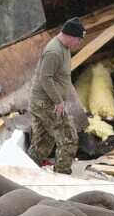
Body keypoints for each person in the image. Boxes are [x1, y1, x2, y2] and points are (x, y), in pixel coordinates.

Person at [28, 17, 85, 174]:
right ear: (70, 35)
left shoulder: (64, 48)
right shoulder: (54, 51)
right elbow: (45, 78)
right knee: (68, 138)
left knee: (43, 142)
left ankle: (26, 170)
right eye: (78, 40)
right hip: (46, 103)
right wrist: (58, 101)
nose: (78, 44)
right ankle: (62, 176)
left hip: (45, 101)